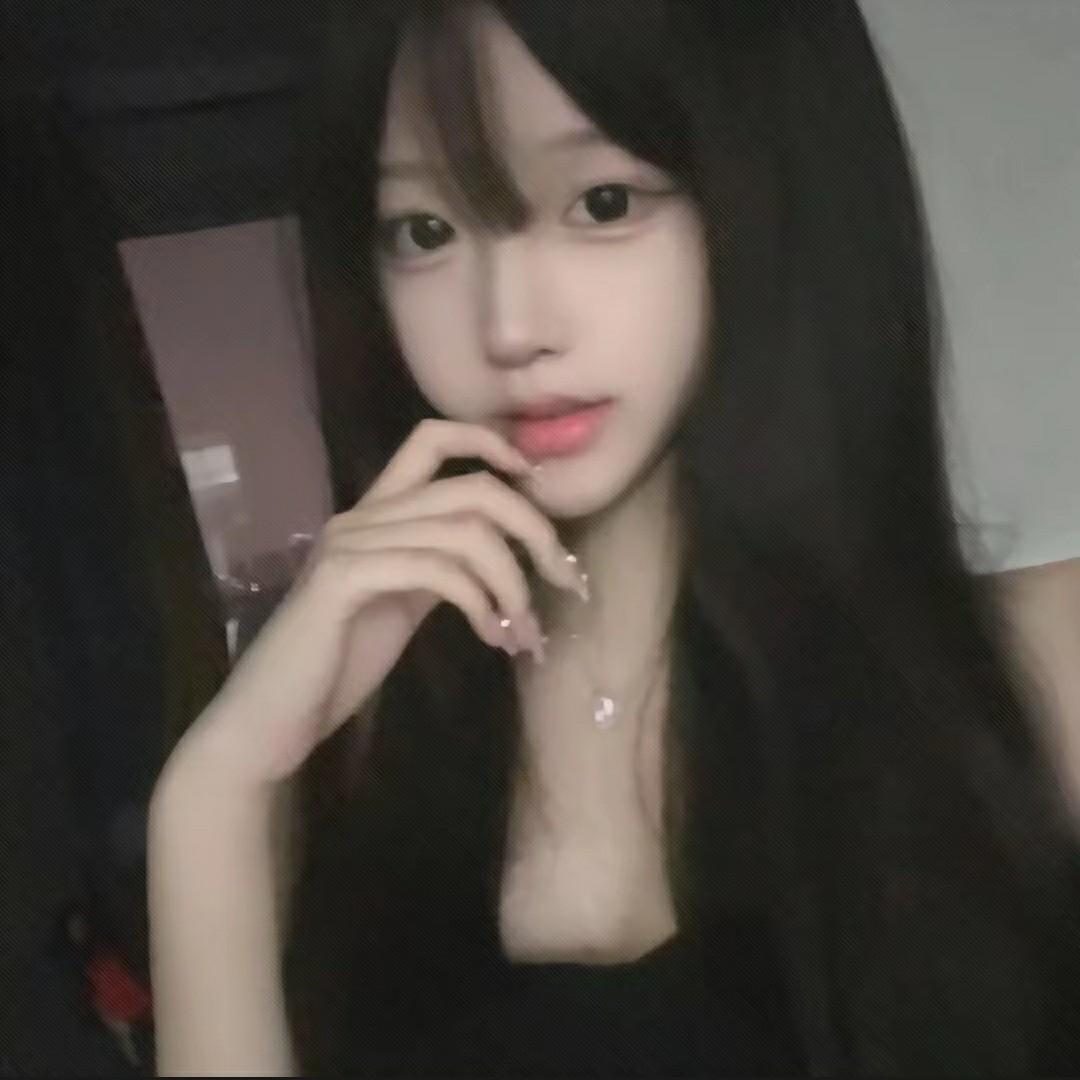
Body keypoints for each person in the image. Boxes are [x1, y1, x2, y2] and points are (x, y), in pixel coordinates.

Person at [147, 1, 1080, 1075]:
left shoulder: (1034, 667)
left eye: (603, 203)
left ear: (767, 195)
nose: (509, 327)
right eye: (425, 231)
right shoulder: (339, 750)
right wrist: (211, 800)